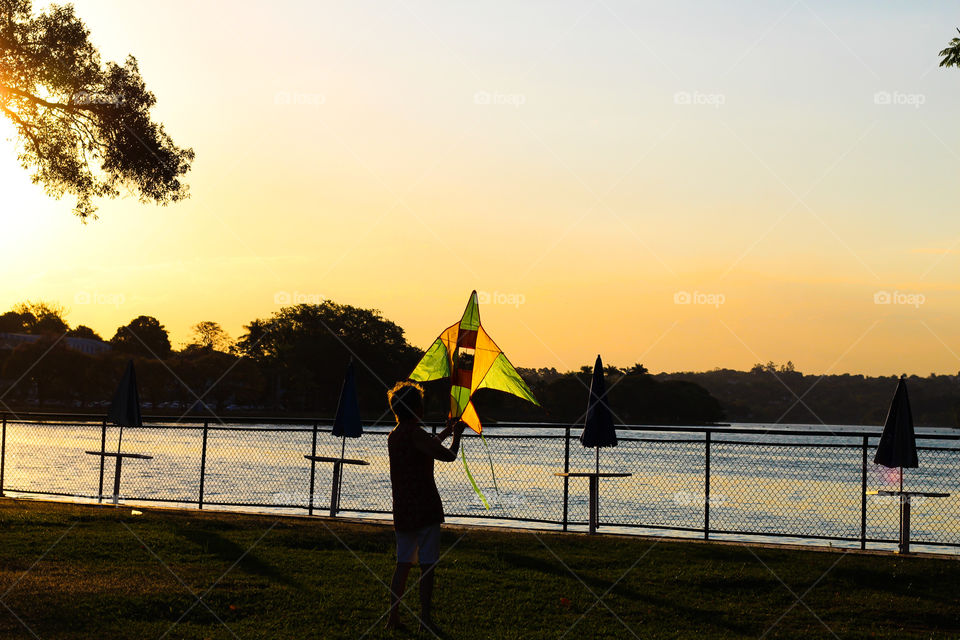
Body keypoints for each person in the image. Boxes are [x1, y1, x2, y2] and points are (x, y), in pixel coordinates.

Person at [385, 381, 466, 633]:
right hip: (425, 507)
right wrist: (457, 436)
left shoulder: (395, 435)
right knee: (427, 565)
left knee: (403, 564)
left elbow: (425, 447)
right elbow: (447, 456)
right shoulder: (416, 434)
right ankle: (425, 619)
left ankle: (393, 617)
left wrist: (443, 433)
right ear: (416, 408)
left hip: (403, 508)